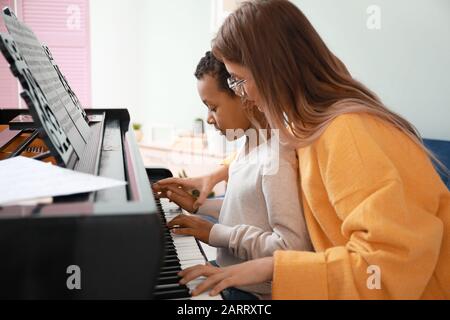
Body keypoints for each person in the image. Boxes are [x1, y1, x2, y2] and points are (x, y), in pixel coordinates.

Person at [175, 0, 450, 300]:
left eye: (239, 81)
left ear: (272, 71)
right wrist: (216, 175)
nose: (245, 97)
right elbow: (273, 153)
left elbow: (384, 270)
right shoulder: (308, 126)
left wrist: (270, 269)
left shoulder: (349, 132)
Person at [154, 51, 313, 300]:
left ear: (243, 96)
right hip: (230, 276)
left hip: (254, 294)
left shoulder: (276, 160)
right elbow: (250, 211)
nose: (208, 118)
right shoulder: (249, 145)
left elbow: (290, 249)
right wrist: (200, 205)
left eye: (213, 107)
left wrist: (214, 233)